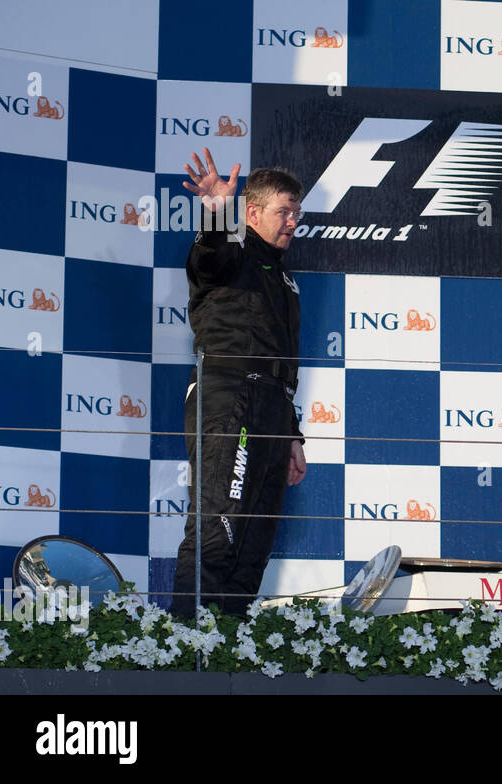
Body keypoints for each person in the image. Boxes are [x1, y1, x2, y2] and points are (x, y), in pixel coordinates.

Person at [170, 147, 308, 618]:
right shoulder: (233, 250)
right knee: (218, 529)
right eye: (283, 212)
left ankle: (227, 649)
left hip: (272, 407)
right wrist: (216, 212)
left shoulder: (284, 275)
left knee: (253, 544)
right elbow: (211, 256)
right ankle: (188, 650)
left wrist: (291, 434)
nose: (293, 221)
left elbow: (281, 360)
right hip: (231, 395)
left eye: (297, 212)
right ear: (251, 212)